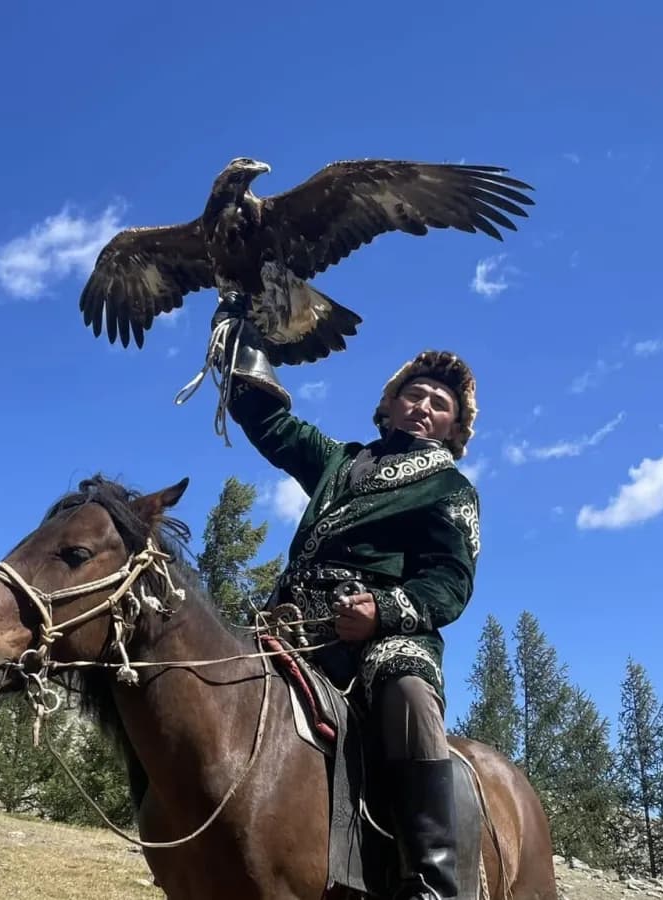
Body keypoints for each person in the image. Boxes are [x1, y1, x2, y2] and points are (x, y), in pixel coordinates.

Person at [211, 296, 482, 900]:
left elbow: (450, 581)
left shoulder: (450, 487)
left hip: (385, 638)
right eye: (414, 394)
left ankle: (435, 883)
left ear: (454, 428)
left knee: (409, 697)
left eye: (441, 404)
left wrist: (381, 613)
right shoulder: (339, 460)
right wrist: (241, 341)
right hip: (292, 627)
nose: (425, 406)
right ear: (388, 405)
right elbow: (273, 426)